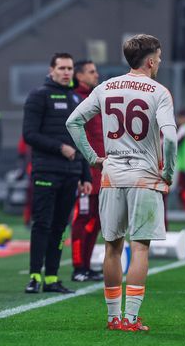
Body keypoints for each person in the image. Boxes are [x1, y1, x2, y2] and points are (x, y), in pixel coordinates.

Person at [66, 34, 177, 331]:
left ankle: (113, 318)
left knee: (112, 247)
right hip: (144, 178)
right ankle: (131, 318)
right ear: (151, 60)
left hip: (111, 176)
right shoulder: (159, 91)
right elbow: (171, 138)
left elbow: (73, 122)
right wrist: (167, 173)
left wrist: (92, 157)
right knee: (140, 248)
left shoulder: (105, 87)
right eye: (160, 57)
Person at [22, 52, 92, 294]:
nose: (66, 72)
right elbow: (29, 134)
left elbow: (80, 140)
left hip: (71, 174)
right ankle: (34, 276)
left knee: (61, 227)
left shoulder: (75, 98)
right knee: (42, 224)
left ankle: (52, 277)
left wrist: (85, 176)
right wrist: (59, 148)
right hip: (46, 171)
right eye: (61, 68)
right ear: (51, 70)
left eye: (70, 68)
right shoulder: (39, 95)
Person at [70, 60, 104, 282]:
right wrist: (81, 171)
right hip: (85, 172)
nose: (97, 75)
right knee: (82, 219)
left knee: (96, 220)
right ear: (80, 75)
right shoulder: (76, 99)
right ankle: (78, 266)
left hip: (100, 172)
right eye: (92, 72)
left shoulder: (95, 99)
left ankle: (87, 264)